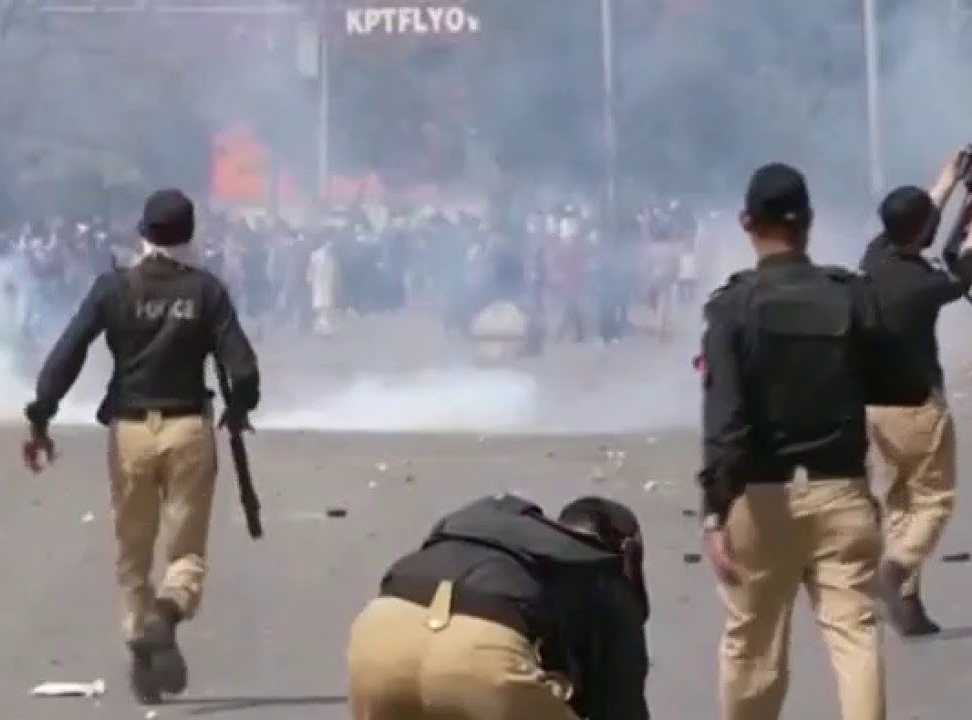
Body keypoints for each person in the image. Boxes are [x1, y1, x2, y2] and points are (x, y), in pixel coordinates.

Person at [697, 162, 932, 720]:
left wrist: (714, 513)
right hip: (841, 491)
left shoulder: (732, 307)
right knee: (854, 637)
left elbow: (725, 420)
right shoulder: (849, 295)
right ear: (809, 221)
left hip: (761, 499)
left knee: (752, 645)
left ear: (746, 222)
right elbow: (908, 384)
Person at [21, 188, 260, 705]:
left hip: (129, 432)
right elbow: (243, 369)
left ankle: (141, 644)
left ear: (143, 233)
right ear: (190, 235)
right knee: (186, 552)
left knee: (133, 553)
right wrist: (240, 408)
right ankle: (167, 614)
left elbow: (68, 352)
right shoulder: (207, 291)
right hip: (188, 429)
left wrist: (41, 414)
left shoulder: (113, 288)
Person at [346, 493, 650, 720]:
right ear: (626, 549)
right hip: (482, 649)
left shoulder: (483, 530)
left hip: (382, 633)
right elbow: (622, 709)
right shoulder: (601, 572)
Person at [857, 152, 972, 636]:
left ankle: (907, 604)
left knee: (903, 500)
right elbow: (962, 270)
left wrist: (949, 178)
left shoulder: (875, 257)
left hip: (875, 408)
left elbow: (920, 220)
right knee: (935, 500)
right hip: (918, 409)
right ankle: (894, 571)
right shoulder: (926, 284)